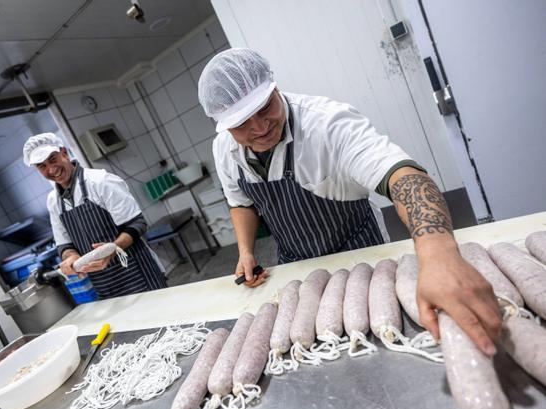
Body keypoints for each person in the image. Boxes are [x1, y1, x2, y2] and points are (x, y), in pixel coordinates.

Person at [197, 48, 501, 355]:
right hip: (296, 262)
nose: (260, 127)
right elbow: (241, 203)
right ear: (221, 125)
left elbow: (405, 178)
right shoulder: (224, 150)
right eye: (242, 123)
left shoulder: (327, 123)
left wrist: (439, 256)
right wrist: (246, 252)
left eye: (265, 108)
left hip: (361, 254)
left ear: (274, 87)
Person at [22, 133, 166, 298]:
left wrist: (113, 248)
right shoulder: (53, 201)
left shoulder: (101, 181)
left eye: (53, 159)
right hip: (104, 284)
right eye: (42, 166)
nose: (51, 169)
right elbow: (64, 244)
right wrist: (72, 257)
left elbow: (137, 224)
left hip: (139, 274)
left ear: (64, 153)